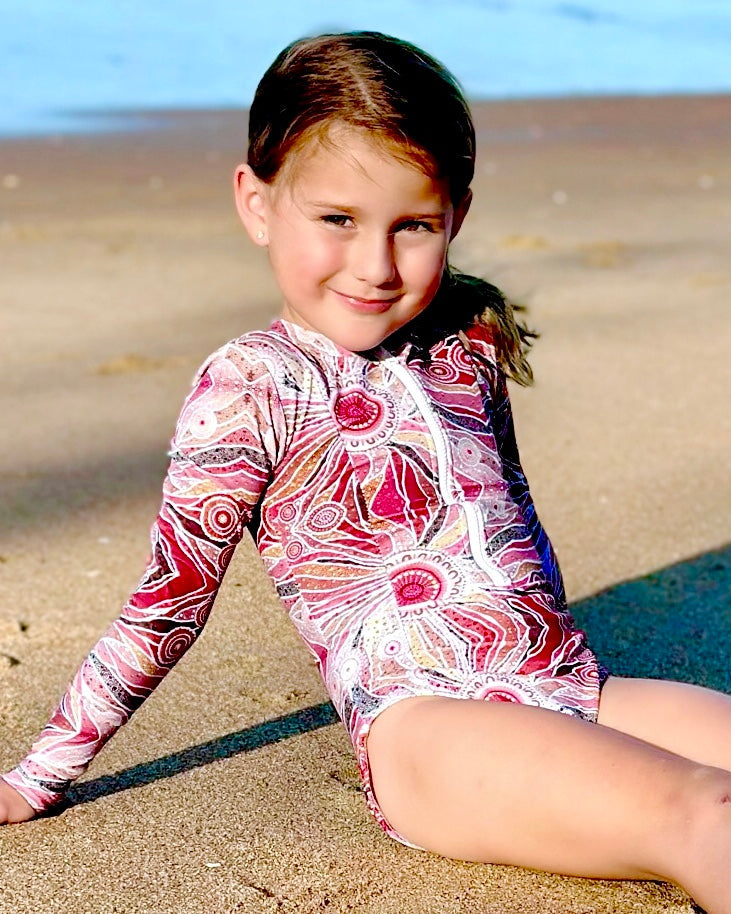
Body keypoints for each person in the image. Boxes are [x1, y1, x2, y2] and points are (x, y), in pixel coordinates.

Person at [1, 31, 730, 911]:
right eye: (337, 219)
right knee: (704, 813)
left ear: (454, 215)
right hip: (431, 734)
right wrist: (40, 772)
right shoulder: (251, 387)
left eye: (412, 226)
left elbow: (509, 523)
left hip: (569, 686)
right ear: (257, 201)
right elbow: (167, 604)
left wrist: (553, 658)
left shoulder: (464, 346)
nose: (375, 266)